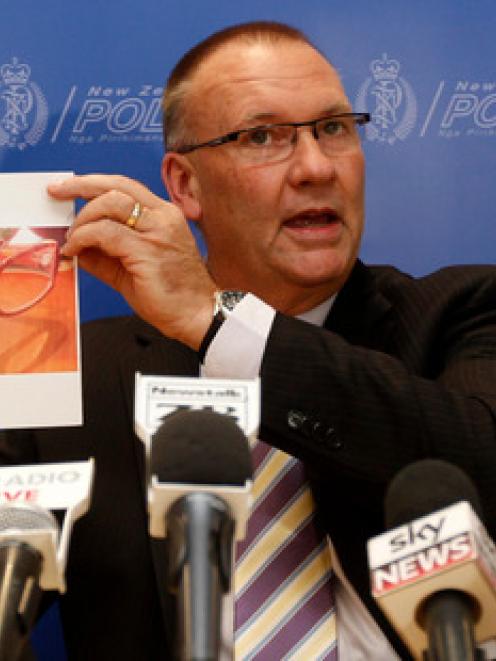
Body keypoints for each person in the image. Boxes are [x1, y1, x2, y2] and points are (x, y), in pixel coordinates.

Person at [2, 20, 495, 660]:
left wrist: (218, 322)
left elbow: (481, 461)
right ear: (184, 186)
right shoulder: (77, 374)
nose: (316, 167)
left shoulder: (462, 313)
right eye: (262, 137)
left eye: (335, 128)